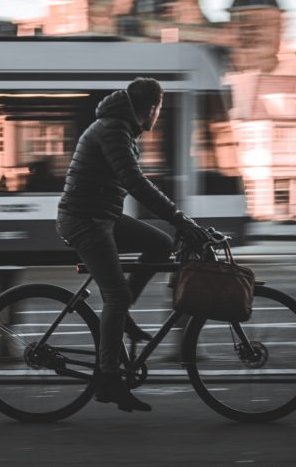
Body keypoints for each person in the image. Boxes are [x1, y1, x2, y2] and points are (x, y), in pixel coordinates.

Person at [56, 78, 210, 412]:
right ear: (152, 108)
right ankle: (108, 379)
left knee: (160, 243)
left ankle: (121, 317)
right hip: (85, 220)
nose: (158, 115)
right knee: (117, 295)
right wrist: (179, 216)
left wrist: (175, 223)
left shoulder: (119, 126)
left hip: (102, 216)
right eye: (159, 109)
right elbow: (134, 181)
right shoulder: (114, 129)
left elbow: (131, 182)